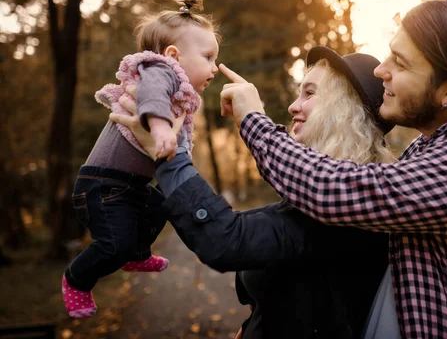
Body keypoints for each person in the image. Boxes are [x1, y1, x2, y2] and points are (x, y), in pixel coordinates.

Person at [218, 0, 447, 338]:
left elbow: (341, 190)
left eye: (401, 64)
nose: (381, 70)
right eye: (390, 54)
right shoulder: (426, 148)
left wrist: (254, 120)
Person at [110, 47, 395, 338]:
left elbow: (226, 239)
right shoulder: (328, 193)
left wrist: (171, 157)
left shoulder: (345, 205)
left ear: (344, 109)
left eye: (309, 93)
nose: (293, 107)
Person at [62, 0, 220, 319]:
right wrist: (161, 130)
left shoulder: (182, 97)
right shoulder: (160, 71)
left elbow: (184, 141)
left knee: (164, 201)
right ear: (174, 56)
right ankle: (76, 279)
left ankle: (137, 253)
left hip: (129, 184)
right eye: (208, 57)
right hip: (102, 185)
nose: (215, 67)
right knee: (113, 244)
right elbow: (152, 98)